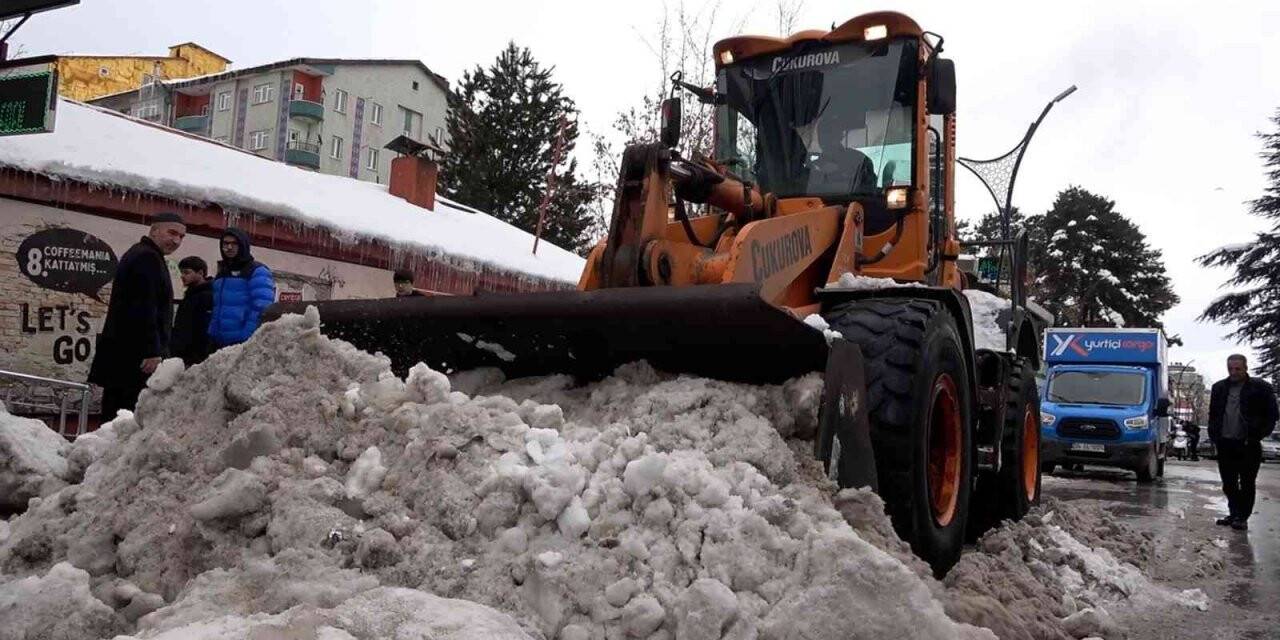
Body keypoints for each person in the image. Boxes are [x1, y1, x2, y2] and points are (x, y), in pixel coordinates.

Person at [87, 212, 186, 418]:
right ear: (155, 230)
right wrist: (151, 350)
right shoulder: (147, 258)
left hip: (127, 355)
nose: (176, 240)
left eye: (181, 237)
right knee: (124, 416)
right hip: (135, 358)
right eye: (172, 233)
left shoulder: (144, 254)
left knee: (116, 413)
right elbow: (143, 306)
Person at [1208, 354, 1278, 531]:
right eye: (1230, 368)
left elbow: (1272, 415)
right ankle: (1234, 512)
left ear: (1246, 368)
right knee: (1229, 483)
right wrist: (1214, 435)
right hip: (1225, 442)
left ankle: (1242, 517)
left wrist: (1258, 434)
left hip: (1249, 444)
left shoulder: (1260, 388)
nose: (1234, 372)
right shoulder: (1219, 388)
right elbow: (1213, 414)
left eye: (1237, 368)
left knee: (1247, 483)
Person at [209, 228, 275, 348]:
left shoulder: (257, 271)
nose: (229, 247)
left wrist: (246, 335)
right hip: (218, 342)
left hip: (242, 342)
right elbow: (217, 307)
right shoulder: (222, 273)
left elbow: (262, 306)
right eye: (225, 243)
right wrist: (212, 332)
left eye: (234, 243)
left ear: (243, 245)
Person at [171, 256, 215, 366]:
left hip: (194, 357)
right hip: (182, 354)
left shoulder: (207, 296)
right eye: (182, 272)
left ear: (200, 273)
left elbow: (203, 329)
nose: (182, 276)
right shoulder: (191, 295)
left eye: (187, 272)